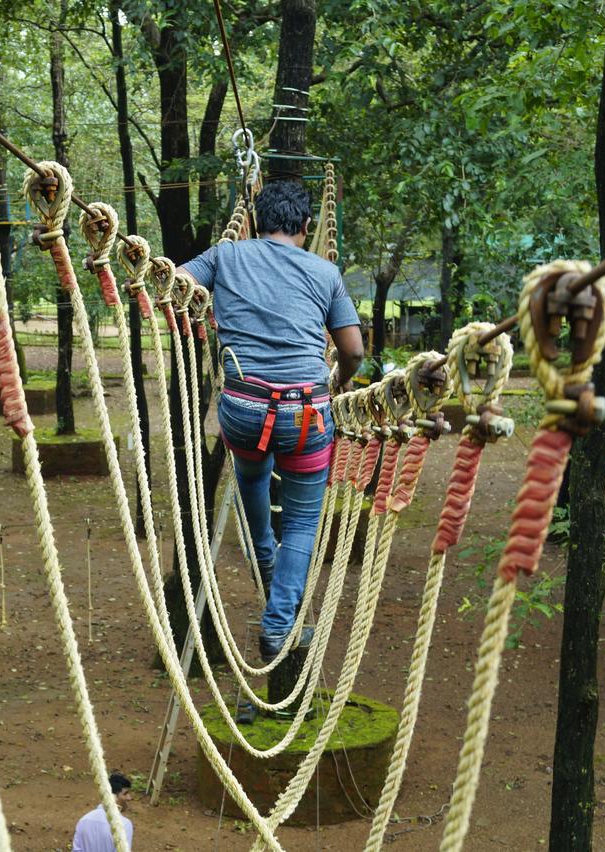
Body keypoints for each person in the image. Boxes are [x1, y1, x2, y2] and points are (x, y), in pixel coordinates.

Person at [179, 180, 363, 661]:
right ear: (307, 226)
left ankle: (266, 562)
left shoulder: (225, 255)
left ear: (256, 223)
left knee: (253, 478)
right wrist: (339, 380)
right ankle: (278, 625)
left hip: (242, 409)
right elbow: (354, 350)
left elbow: (173, 282)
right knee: (302, 520)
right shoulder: (325, 272)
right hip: (304, 413)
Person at [71, 772, 134, 851]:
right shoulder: (124, 825)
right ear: (113, 797)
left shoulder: (84, 820)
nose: (129, 798)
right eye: (125, 794)